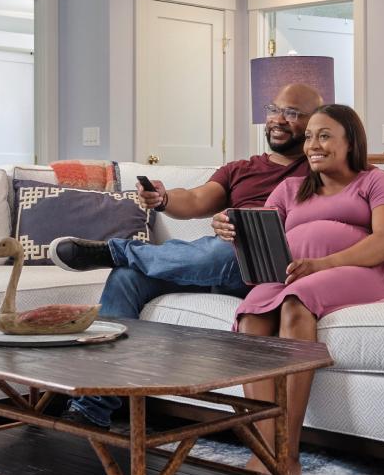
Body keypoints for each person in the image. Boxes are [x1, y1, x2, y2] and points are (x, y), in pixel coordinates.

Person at [43, 82, 325, 427]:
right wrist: (163, 200)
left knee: (229, 249)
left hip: (263, 269)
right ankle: (92, 410)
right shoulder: (241, 168)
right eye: (273, 109)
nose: (278, 119)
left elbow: (383, 177)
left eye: (292, 113)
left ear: (314, 124)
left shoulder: (320, 167)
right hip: (215, 262)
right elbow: (194, 200)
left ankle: (116, 250)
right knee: (127, 279)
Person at [230, 104, 384, 475]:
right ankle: (267, 451)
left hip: (359, 272)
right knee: (253, 311)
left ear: (350, 142)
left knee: (296, 303)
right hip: (293, 274)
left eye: (324, 136)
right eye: (309, 136)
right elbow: (262, 241)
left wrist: (321, 265)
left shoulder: (374, 182)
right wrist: (231, 232)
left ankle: (288, 453)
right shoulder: (289, 188)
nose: (312, 145)